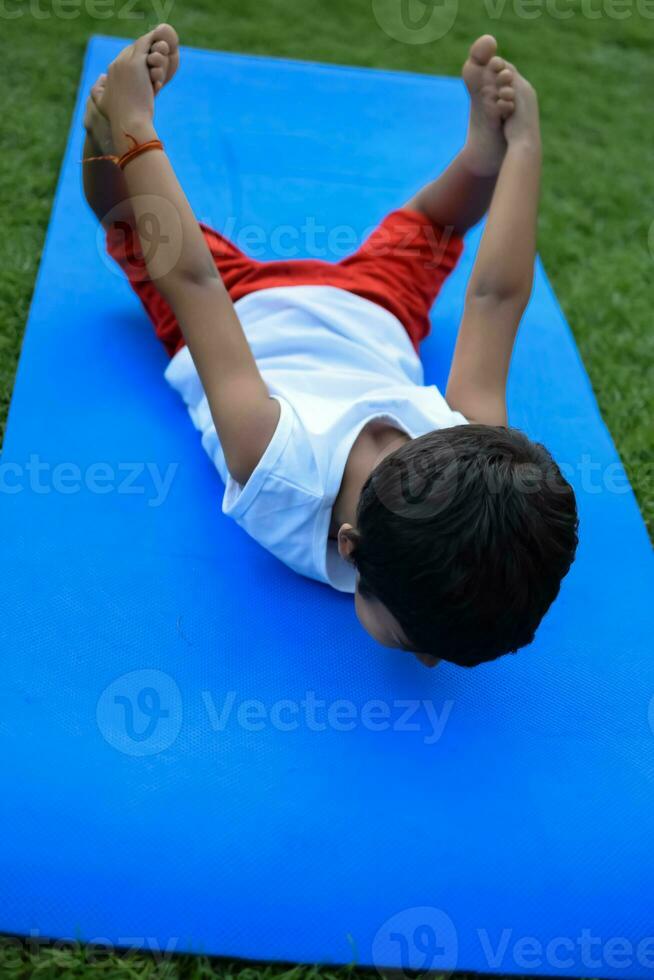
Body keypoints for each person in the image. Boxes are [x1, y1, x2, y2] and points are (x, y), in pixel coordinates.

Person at [82, 26, 578, 669]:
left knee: (117, 211)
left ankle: (103, 127)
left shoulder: (275, 466)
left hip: (238, 310)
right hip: (373, 307)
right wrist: (518, 145)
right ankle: (479, 156)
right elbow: (495, 297)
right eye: (416, 644)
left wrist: (133, 129)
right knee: (436, 224)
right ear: (349, 546)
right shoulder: (449, 458)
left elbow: (195, 281)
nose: (426, 662)